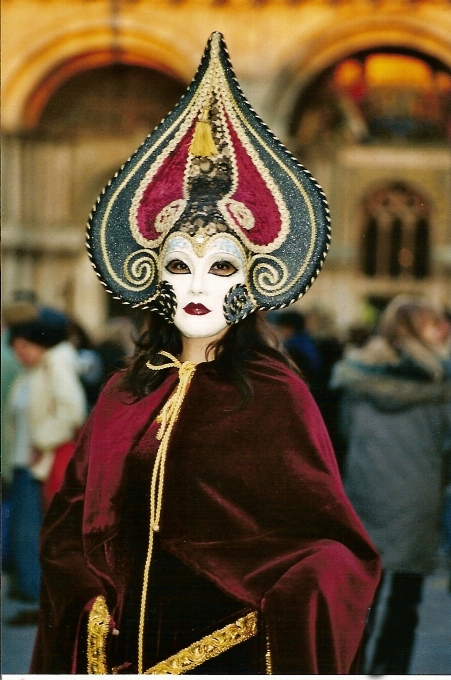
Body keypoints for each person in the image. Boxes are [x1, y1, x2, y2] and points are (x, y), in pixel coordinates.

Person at [30, 32, 380, 675]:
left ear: (250, 279)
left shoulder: (273, 393)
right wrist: (85, 600)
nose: (196, 285)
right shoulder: (125, 391)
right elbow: (69, 523)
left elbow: (333, 542)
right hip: (117, 657)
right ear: (152, 273)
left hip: (231, 655)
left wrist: (296, 599)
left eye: (220, 266)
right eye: (179, 265)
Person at [331, 294, 451, 674]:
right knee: (406, 592)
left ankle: (354, 661)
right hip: (418, 495)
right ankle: (390, 664)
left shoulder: (357, 374)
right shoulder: (441, 379)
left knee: (363, 591)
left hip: (363, 494)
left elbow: (344, 433)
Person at [3, 302, 88, 614]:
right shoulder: (37, 369)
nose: (19, 353)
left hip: (40, 463)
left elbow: (73, 410)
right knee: (28, 534)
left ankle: (40, 604)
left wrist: (43, 439)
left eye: (23, 345)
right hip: (27, 463)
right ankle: (37, 602)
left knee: (32, 533)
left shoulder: (56, 364)